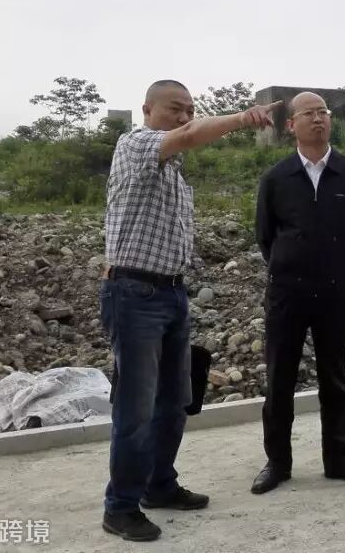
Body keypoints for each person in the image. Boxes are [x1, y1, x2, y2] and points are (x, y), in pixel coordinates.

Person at [100, 80, 275, 542]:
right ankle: (120, 506)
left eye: (189, 111)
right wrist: (243, 118)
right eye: (174, 109)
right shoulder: (135, 145)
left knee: (174, 401)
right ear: (147, 110)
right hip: (134, 294)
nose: (183, 118)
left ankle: (159, 484)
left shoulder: (174, 173)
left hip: (172, 294)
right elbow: (189, 135)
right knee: (136, 408)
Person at [251, 92, 345, 495]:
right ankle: (277, 463)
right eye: (309, 113)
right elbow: (265, 236)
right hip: (287, 293)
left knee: (335, 377)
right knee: (280, 378)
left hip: (336, 292)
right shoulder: (276, 178)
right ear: (291, 125)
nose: (318, 118)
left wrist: (338, 265)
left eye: (323, 112)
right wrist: (292, 265)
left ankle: (339, 458)